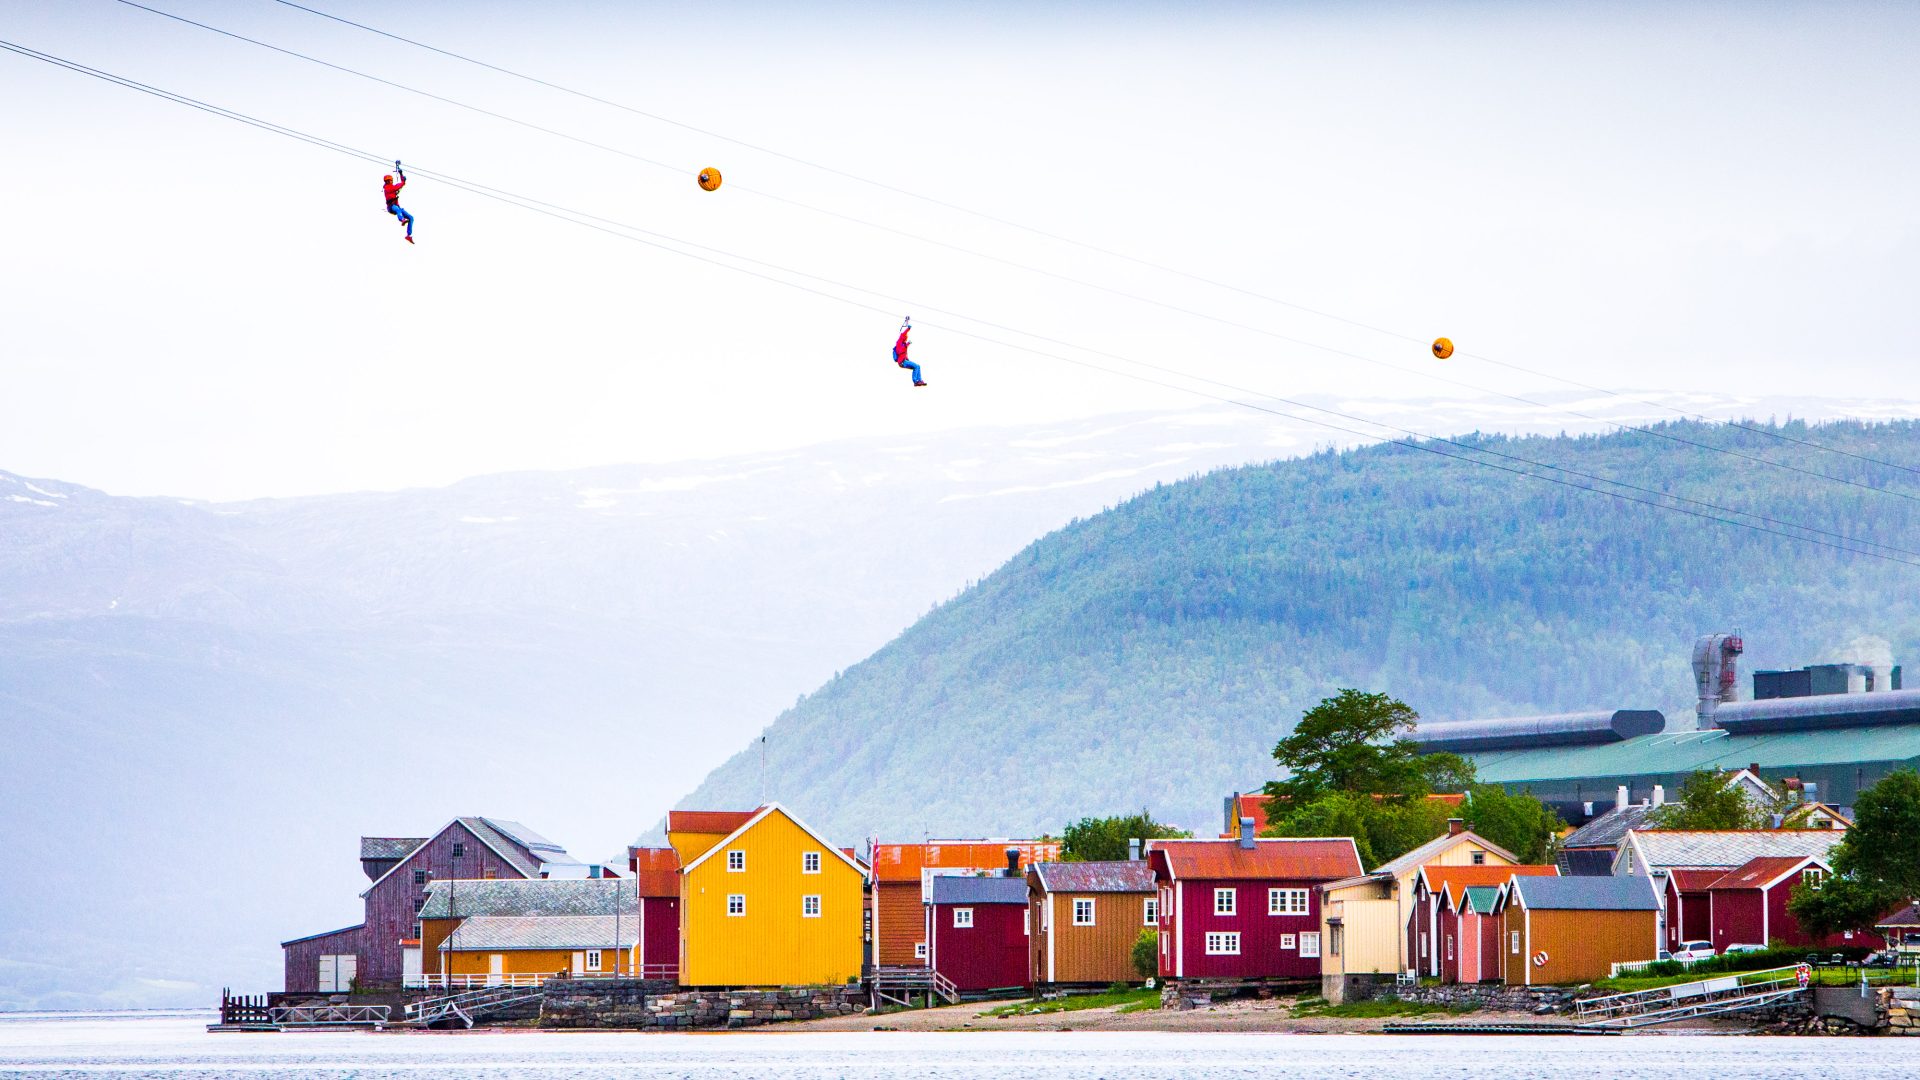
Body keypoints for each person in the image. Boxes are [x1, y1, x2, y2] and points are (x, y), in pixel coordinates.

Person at [383, 165, 414, 244]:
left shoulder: (392, 187)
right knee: (397, 209)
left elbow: (401, 184)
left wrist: (401, 174)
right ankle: (402, 219)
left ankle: (408, 235)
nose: (392, 181)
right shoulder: (387, 188)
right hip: (391, 207)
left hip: (397, 207)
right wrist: (401, 175)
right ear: (388, 181)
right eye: (391, 180)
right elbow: (400, 184)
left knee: (411, 217)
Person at [892, 319, 926, 386]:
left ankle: (919, 380)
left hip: (904, 361)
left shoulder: (903, 344)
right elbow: (900, 350)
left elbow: (903, 351)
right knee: (916, 366)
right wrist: (908, 328)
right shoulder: (899, 343)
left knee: (917, 366)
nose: (906, 338)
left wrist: (907, 344)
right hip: (902, 362)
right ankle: (916, 381)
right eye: (905, 338)